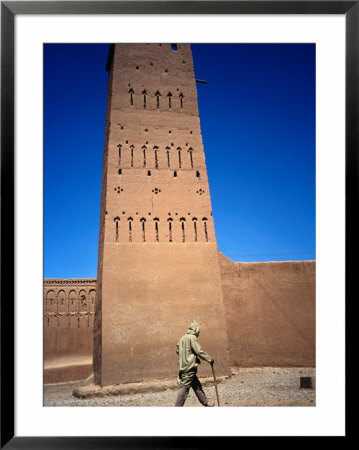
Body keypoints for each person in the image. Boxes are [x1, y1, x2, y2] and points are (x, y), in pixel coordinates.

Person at [175, 320, 215, 407]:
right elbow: (198, 351)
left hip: (184, 366)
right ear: (196, 330)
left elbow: (177, 350)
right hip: (189, 367)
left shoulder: (183, 338)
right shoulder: (192, 338)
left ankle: (205, 403)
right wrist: (209, 359)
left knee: (196, 385)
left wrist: (185, 357)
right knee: (184, 388)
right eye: (198, 330)